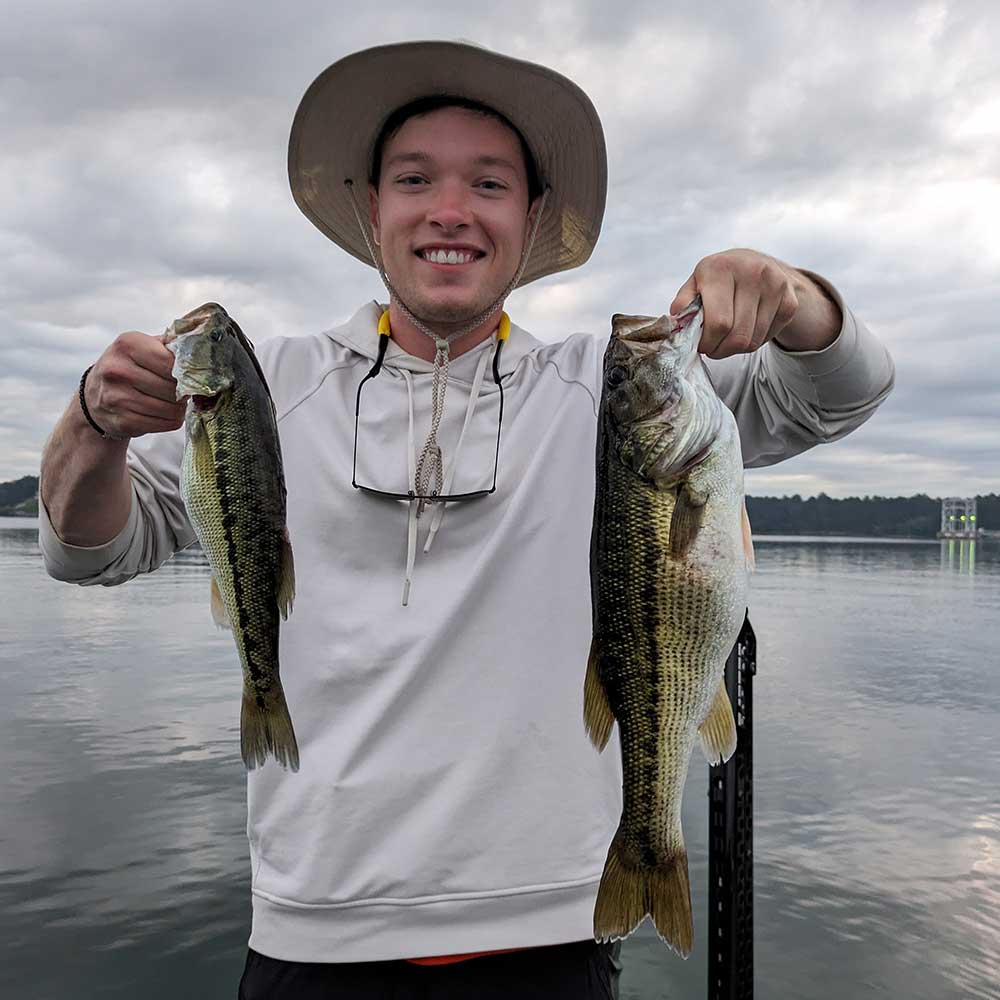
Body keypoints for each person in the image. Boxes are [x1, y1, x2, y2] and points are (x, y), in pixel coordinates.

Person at [38, 41, 895, 1000]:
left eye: (488, 182)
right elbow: (89, 552)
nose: (449, 210)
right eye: (415, 179)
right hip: (313, 932)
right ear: (371, 209)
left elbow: (838, 397)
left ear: (531, 219)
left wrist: (798, 298)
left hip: (557, 932)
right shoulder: (256, 387)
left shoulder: (612, 393)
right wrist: (92, 421)